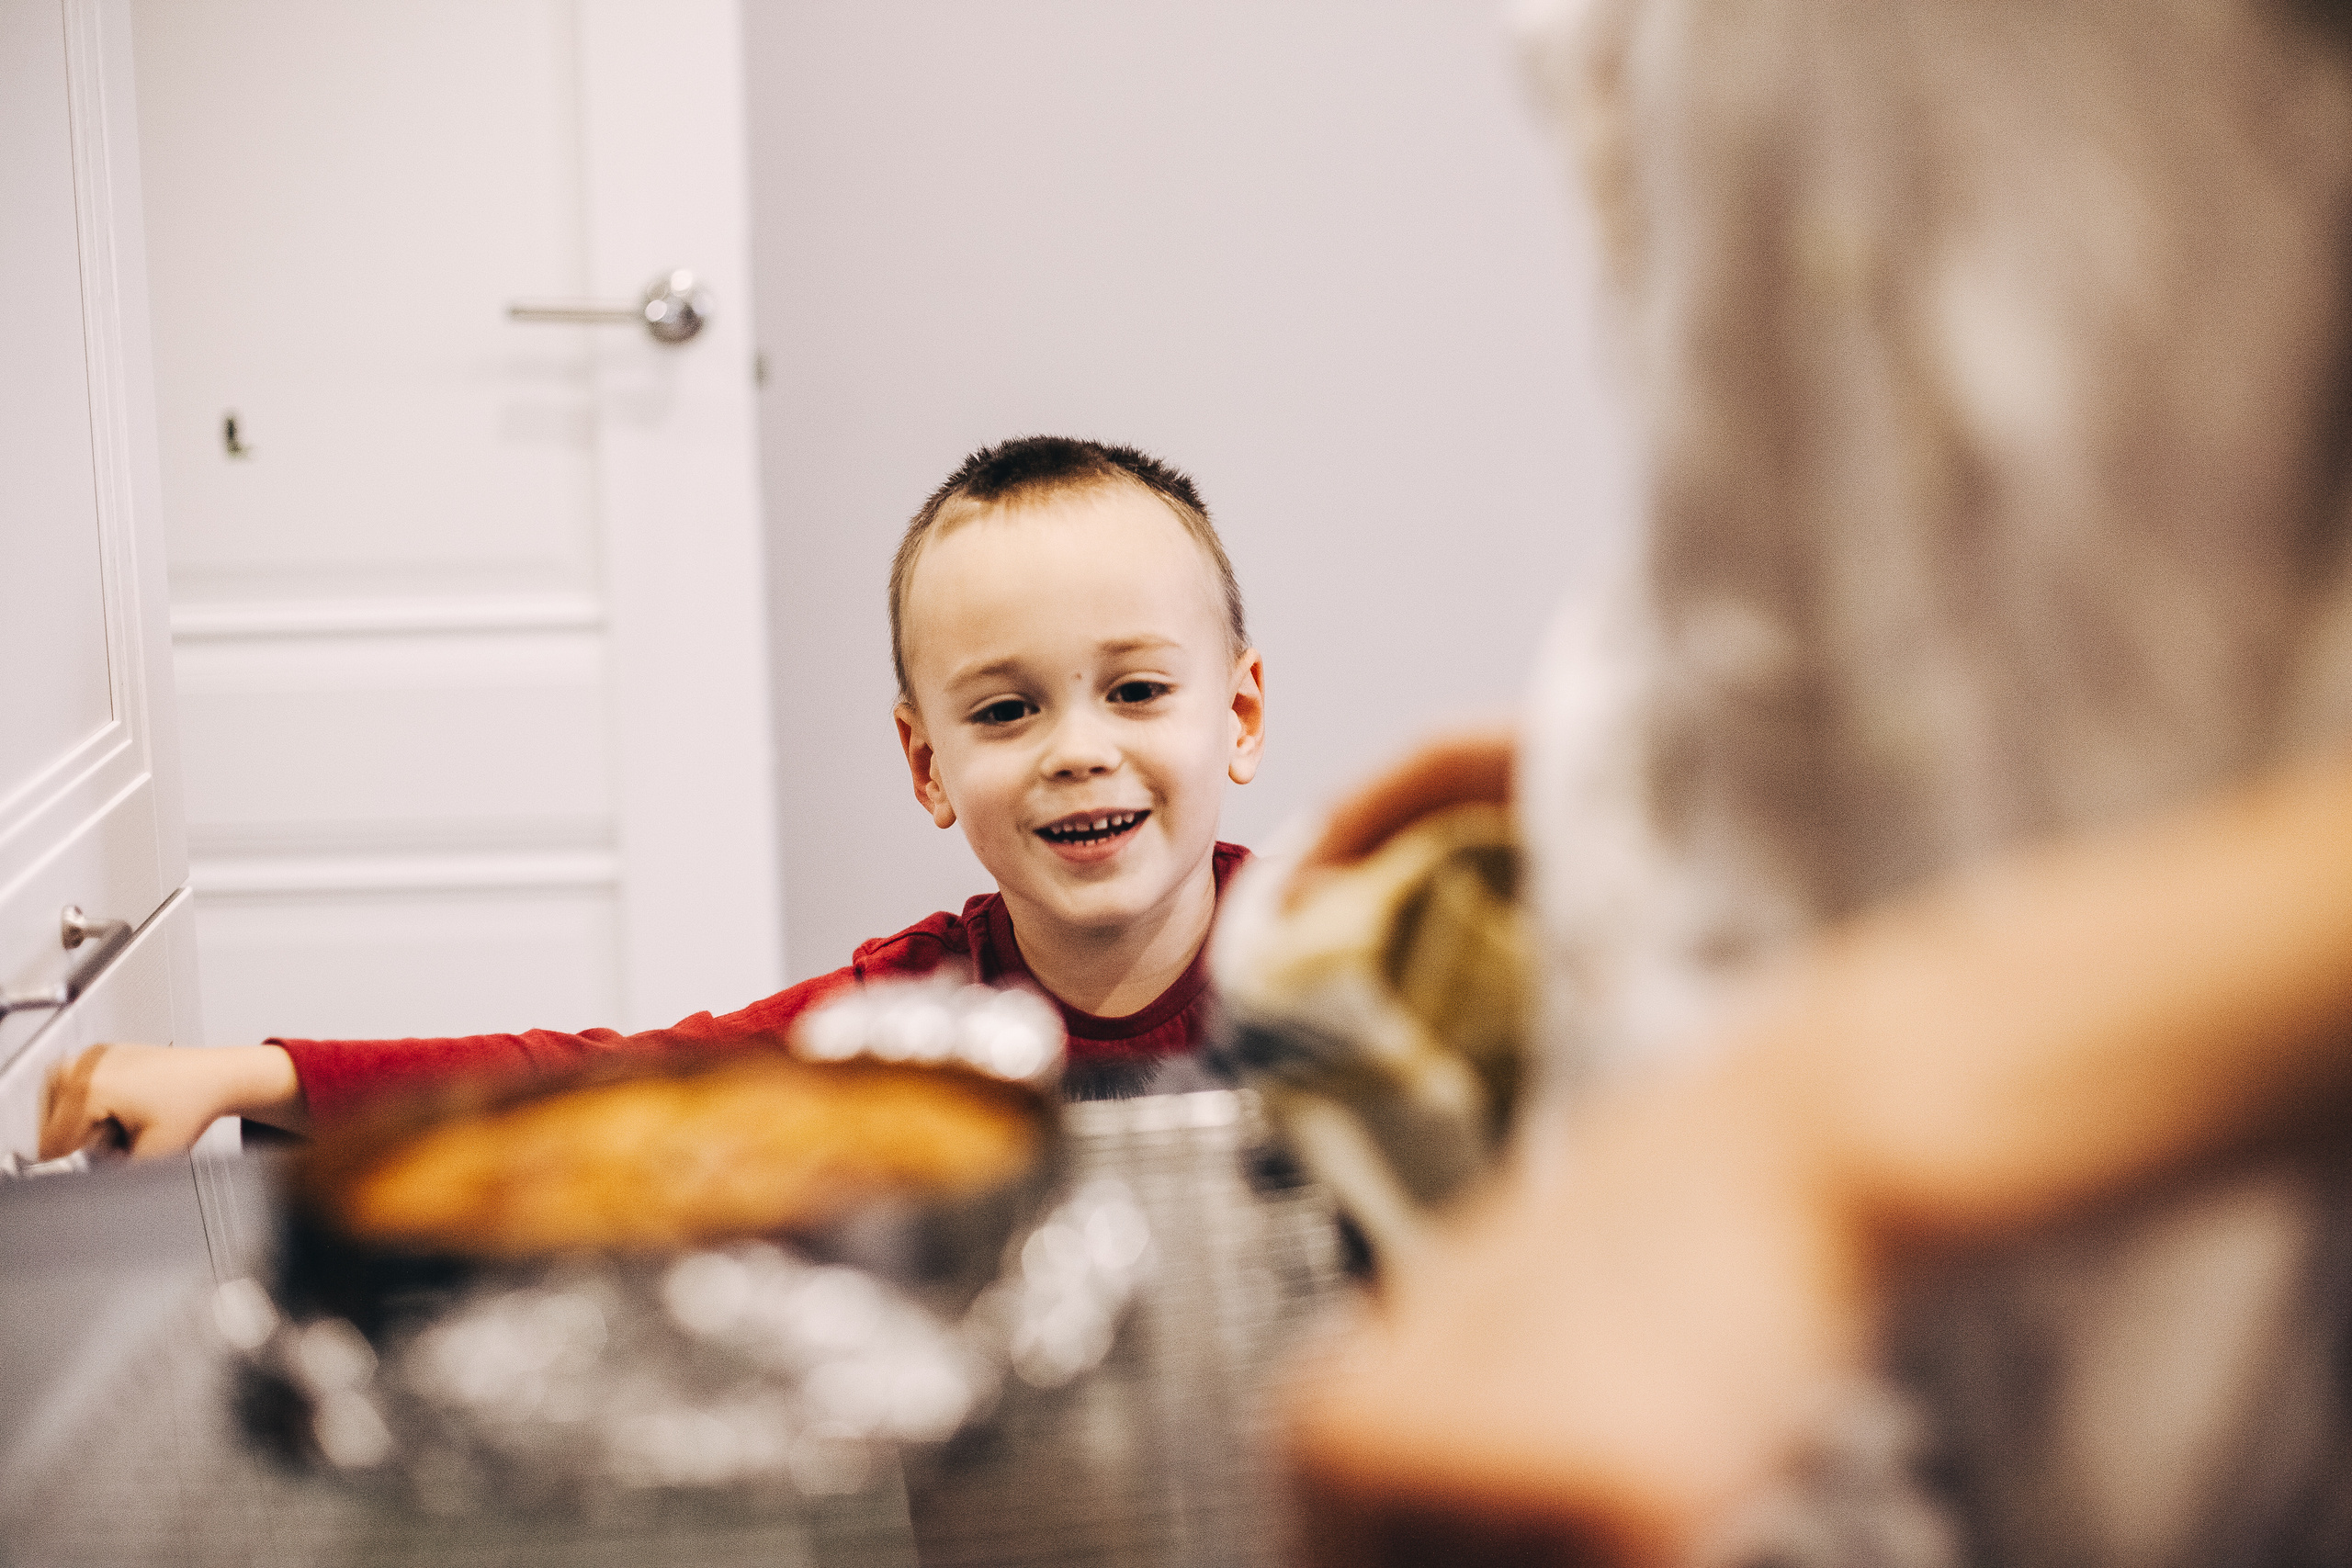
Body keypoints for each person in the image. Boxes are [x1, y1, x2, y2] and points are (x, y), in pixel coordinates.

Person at [41, 435, 1269, 1158]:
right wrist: (254, 1075)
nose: (1075, 749)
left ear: (1241, 717)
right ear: (926, 767)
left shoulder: (1364, 964)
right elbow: (601, 1079)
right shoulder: (901, 1017)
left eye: (1138, 690)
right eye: (1006, 710)